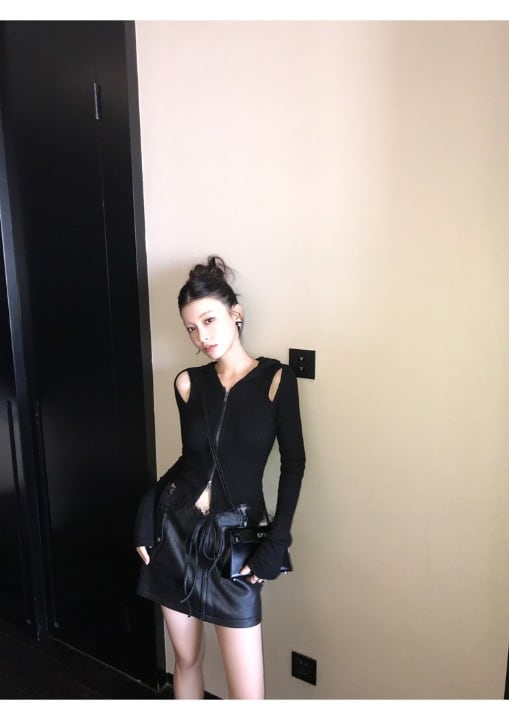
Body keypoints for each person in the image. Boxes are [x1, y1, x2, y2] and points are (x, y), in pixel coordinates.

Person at [134, 255, 305, 699]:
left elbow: (294, 464)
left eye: (209, 320)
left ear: (236, 313)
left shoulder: (276, 380)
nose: (202, 337)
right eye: (191, 328)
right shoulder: (187, 383)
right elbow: (189, 461)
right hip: (175, 535)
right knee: (186, 660)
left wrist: (276, 544)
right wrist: (146, 515)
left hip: (235, 546)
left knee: (247, 696)